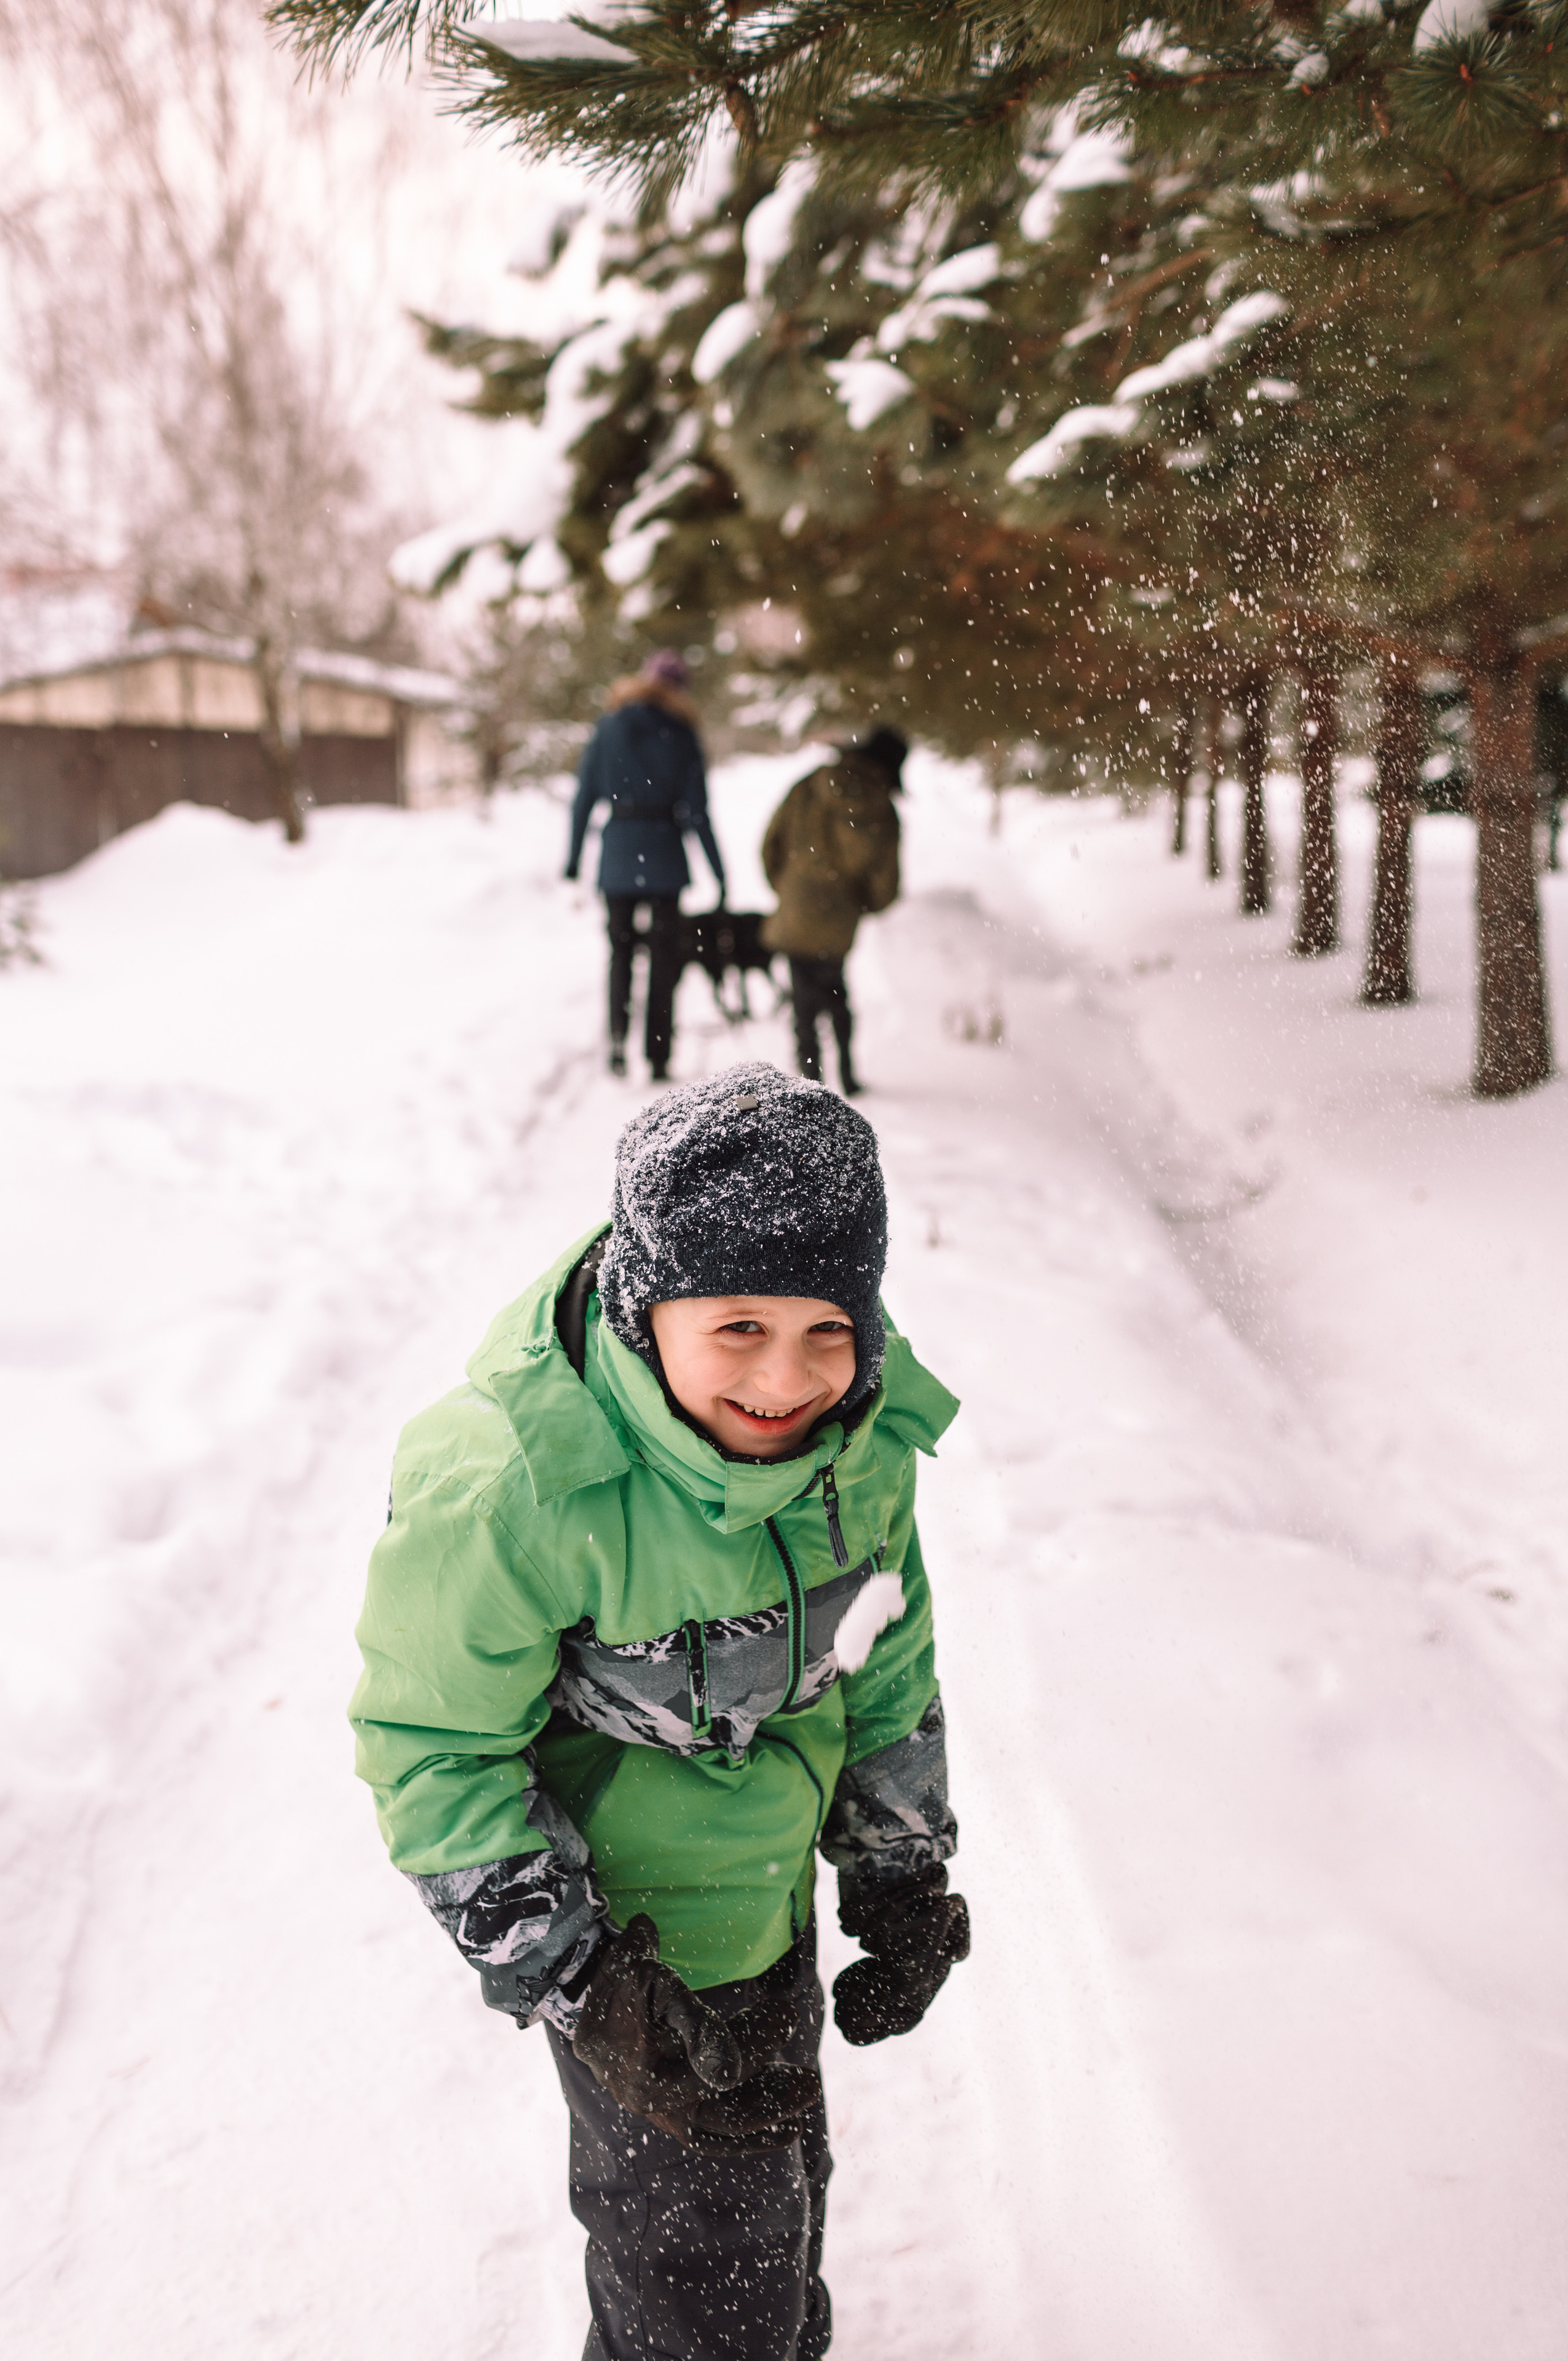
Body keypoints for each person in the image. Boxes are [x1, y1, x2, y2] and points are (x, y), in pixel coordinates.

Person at [352, 1064, 968, 2361]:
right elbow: (435, 1751)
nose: (786, 1378)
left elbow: (885, 1649)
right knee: (696, 2279)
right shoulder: (518, 1483)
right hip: (628, 1948)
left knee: (778, 2206)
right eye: (736, 1327)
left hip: (768, 1900)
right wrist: (587, 1983)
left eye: (826, 1328)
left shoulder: (862, 1438)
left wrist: (900, 1868)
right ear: (646, 1305)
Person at [566, 651, 727, 1080]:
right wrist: (718, 870)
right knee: (664, 958)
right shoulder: (682, 733)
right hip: (665, 854)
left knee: (620, 953)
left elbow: (584, 798)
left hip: (619, 853)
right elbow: (698, 811)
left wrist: (573, 859)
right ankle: (658, 1054)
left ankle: (618, 1043)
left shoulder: (609, 726)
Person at [761, 726, 905, 1096]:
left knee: (803, 999)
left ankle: (810, 1078)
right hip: (841, 913)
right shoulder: (882, 806)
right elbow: (886, 880)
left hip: (797, 903)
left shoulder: (810, 786)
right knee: (836, 990)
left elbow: (771, 844)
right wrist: (862, 903)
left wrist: (786, 886)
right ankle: (847, 1072)